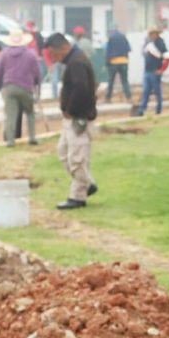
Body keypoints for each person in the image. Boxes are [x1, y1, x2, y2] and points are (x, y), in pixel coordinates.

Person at [47, 31, 97, 210]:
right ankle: (87, 183)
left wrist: (72, 110)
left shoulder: (76, 62)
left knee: (77, 157)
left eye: (54, 54)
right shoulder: (74, 61)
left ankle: (78, 195)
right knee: (64, 152)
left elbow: (82, 89)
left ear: (64, 48)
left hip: (78, 118)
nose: (54, 58)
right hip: (72, 117)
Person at [0, 29, 42, 147]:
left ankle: (10, 140)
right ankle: (32, 137)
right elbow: (37, 72)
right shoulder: (30, 54)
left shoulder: (4, 54)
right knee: (30, 112)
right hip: (26, 87)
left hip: (9, 87)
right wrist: (36, 83)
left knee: (11, 114)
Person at [135, 25, 168, 117]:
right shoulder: (149, 43)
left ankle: (158, 109)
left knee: (157, 91)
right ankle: (142, 109)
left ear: (156, 34)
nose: (151, 36)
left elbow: (166, 57)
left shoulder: (161, 44)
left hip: (155, 70)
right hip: (147, 70)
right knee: (146, 91)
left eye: (152, 34)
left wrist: (161, 69)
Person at [104, 28, 131, 101]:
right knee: (125, 81)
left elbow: (108, 51)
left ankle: (108, 98)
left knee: (111, 81)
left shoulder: (111, 38)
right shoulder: (124, 37)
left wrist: (107, 63)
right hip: (124, 61)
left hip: (114, 62)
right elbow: (129, 49)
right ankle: (129, 97)